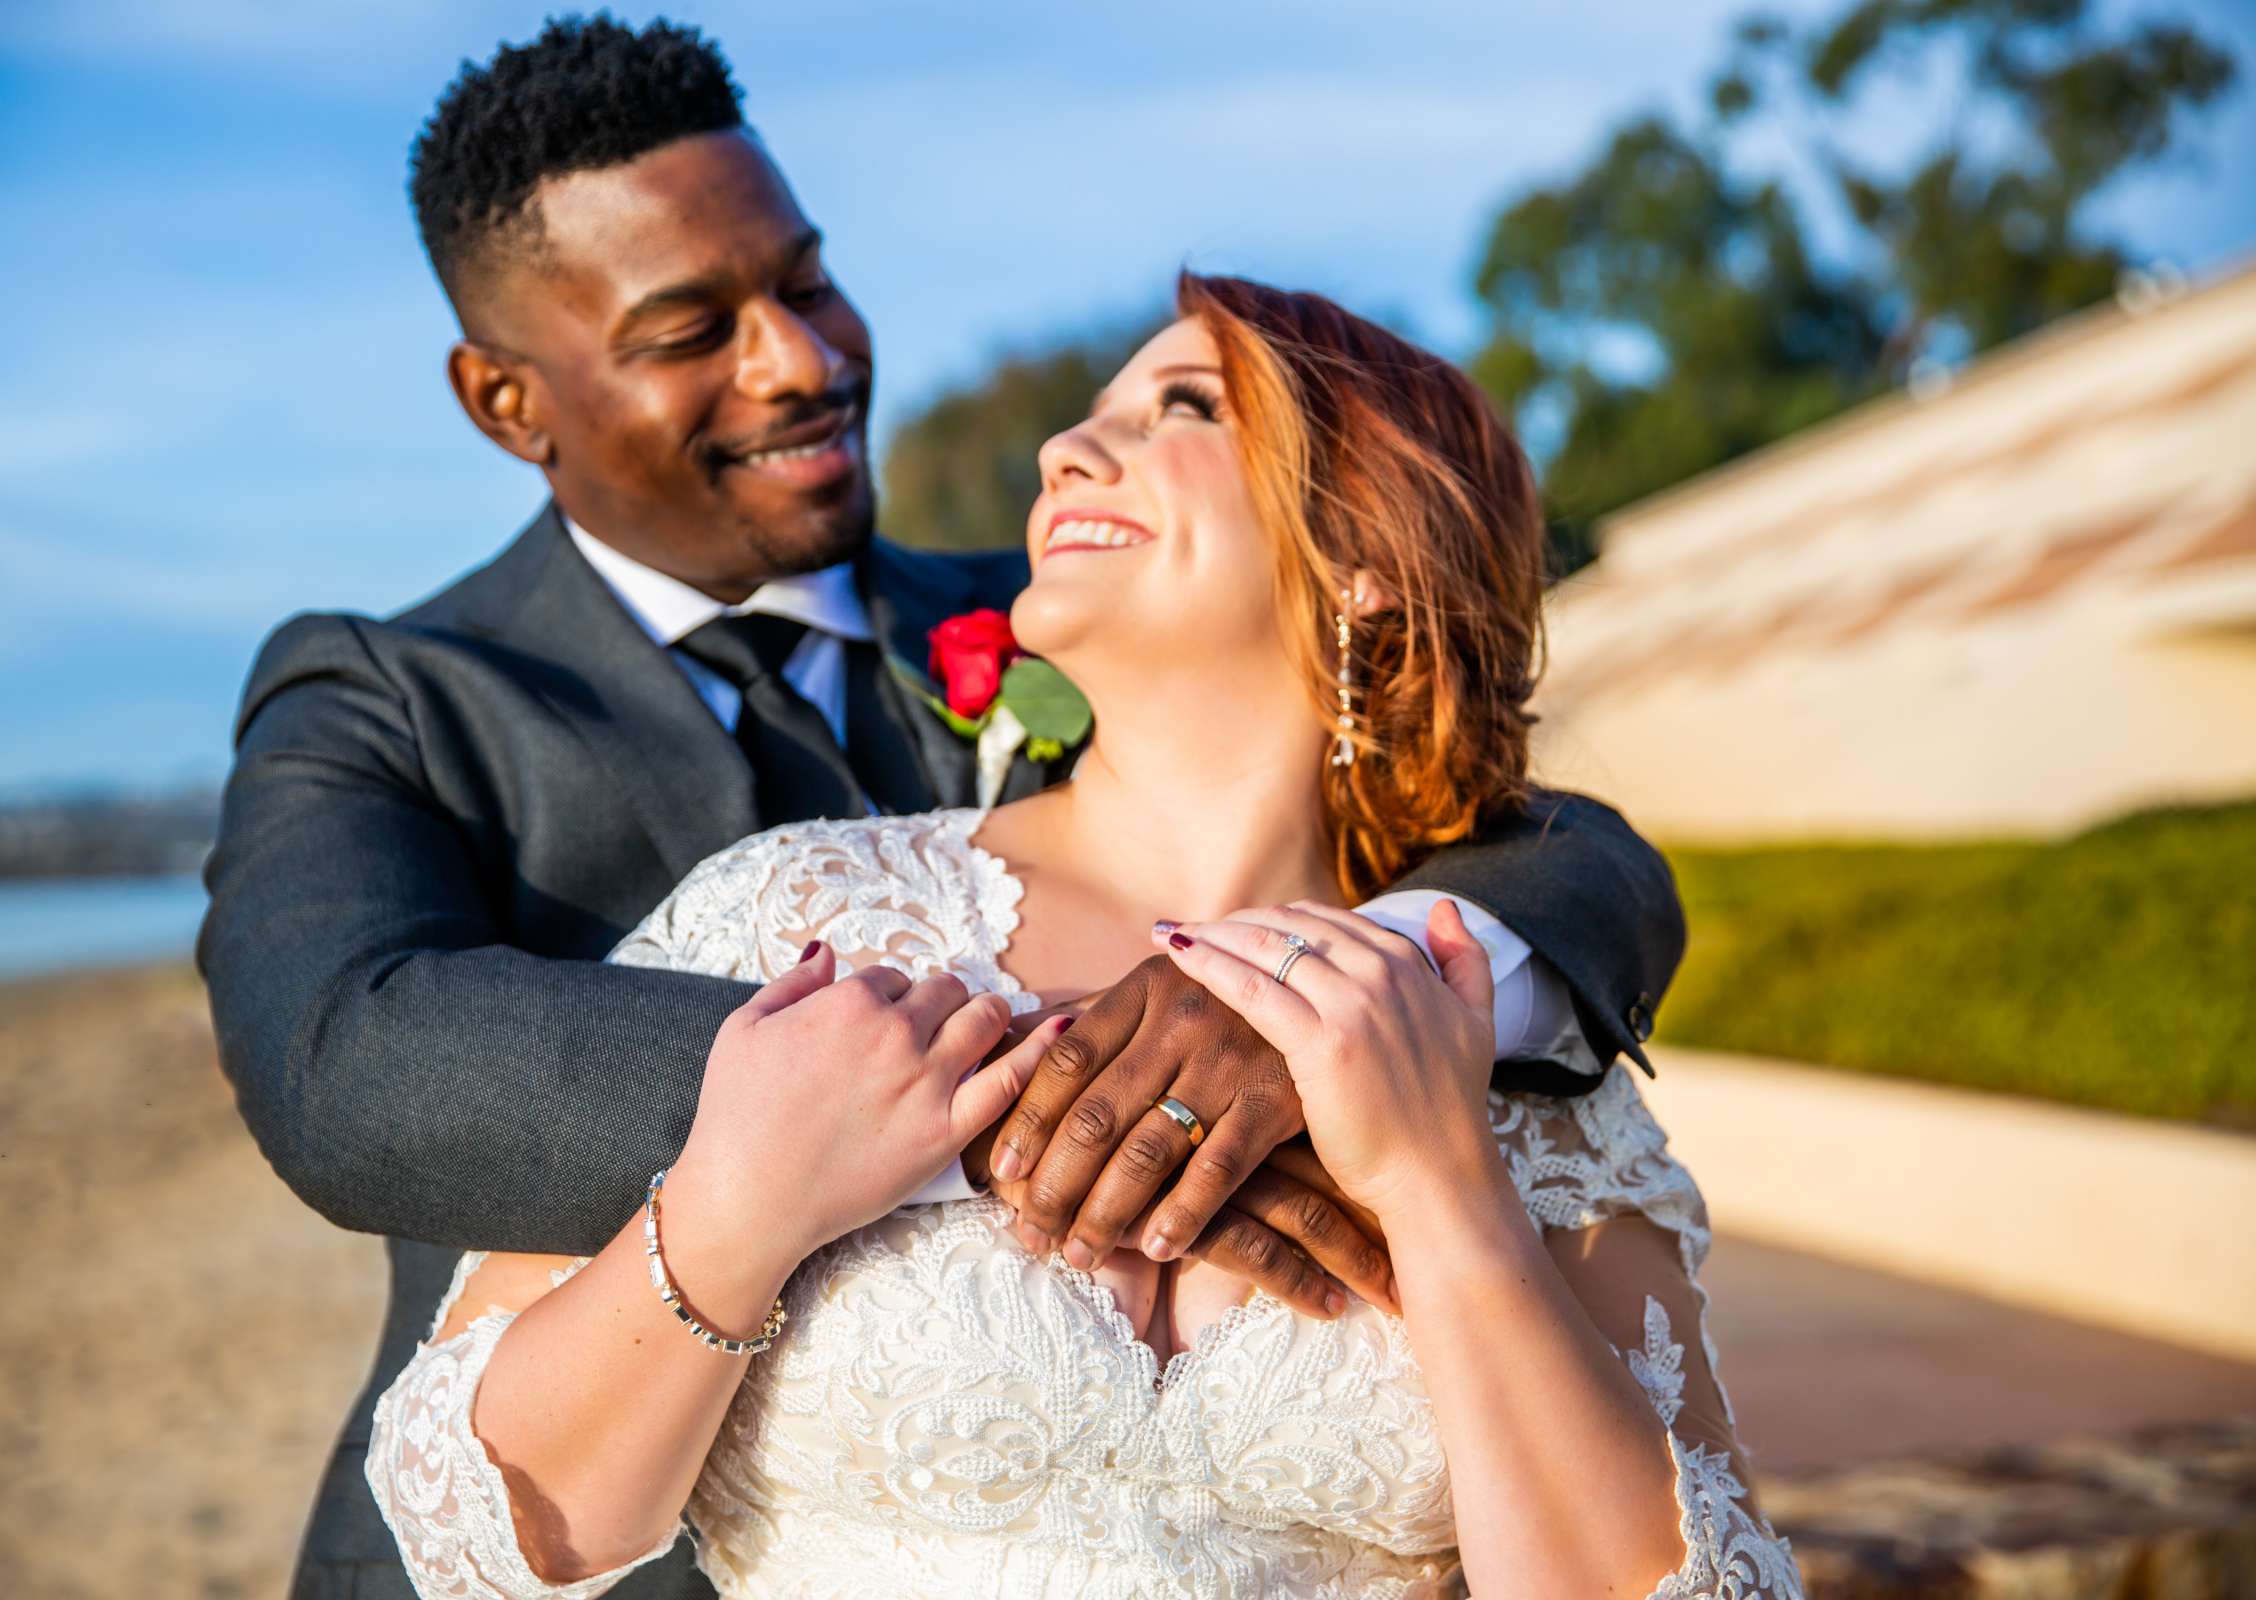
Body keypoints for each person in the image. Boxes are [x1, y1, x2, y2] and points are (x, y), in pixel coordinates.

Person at [200, 20, 1686, 1599]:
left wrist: (1301, 1010)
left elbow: (1575, 854)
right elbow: (345, 1067)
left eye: (809, 279)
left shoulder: (1064, 602)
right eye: (692, 327)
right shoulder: (386, 695)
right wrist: (997, 1103)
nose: (805, 358)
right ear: (508, 400)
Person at [363, 279, 1802, 1597]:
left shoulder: (1485, 1024)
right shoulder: (797, 917)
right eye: (1092, 414)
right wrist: (737, 1213)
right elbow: (467, 1529)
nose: (1066, 448)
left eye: (1183, 407)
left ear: (1368, 557)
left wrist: (1441, 1191)